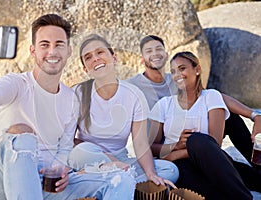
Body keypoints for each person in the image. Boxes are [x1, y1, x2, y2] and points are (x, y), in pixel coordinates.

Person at [0, 15, 136, 200]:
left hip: (44, 184)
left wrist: (63, 170)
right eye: (44, 44)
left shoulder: (71, 99)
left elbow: (65, 150)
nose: (52, 51)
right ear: (33, 50)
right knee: (22, 132)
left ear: (68, 51)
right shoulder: (17, 83)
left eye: (59, 44)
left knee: (121, 178)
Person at [126, 35, 261, 168]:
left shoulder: (176, 78)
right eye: (149, 51)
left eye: (158, 49)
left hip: (189, 135)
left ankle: (257, 164)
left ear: (166, 55)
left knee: (230, 118)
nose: (155, 53)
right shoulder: (132, 86)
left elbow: (215, 97)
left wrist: (254, 115)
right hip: (161, 140)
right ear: (142, 59)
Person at [67, 34, 179, 187]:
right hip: (89, 158)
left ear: (114, 57)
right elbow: (68, 140)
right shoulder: (77, 93)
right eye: (88, 57)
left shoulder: (134, 94)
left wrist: (150, 174)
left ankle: (108, 180)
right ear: (85, 69)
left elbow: (140, 144)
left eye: (100, 52)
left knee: (170, 170)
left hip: (122, 160)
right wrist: (109, 161)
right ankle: (124, 181)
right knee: (81, 151)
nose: (95, 58)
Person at [149, 51, 261, 200]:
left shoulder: (211, 97)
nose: (177, 75)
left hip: (212, 161)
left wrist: (177, 153)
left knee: (197, 140)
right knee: (210, 192)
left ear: (197, 70)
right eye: (173, 71)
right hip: (181, 165)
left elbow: (214, 143)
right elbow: (151, 146)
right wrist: (175, 146)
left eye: (182, 68)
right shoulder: (163, 105)